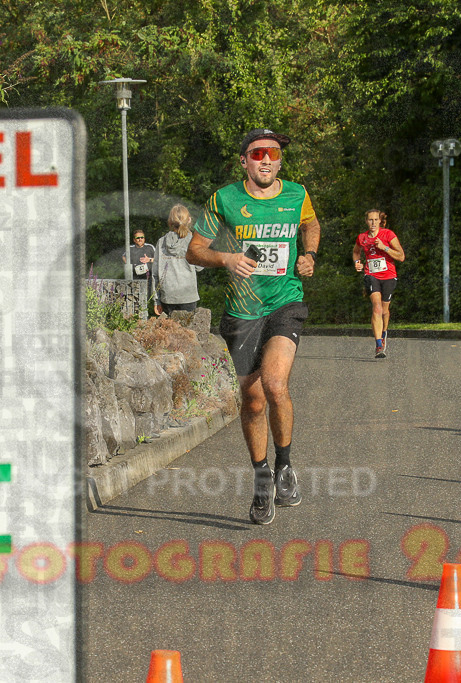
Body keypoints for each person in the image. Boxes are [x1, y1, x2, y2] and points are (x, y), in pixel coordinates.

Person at [186, 128, 320, 525]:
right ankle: (262, 474)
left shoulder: (297, 194)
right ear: (243, 160)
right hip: (242, 313)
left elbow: (310, 225)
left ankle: (285, 465)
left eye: (274, 153)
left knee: (275, 384)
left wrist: (309, 254)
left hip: (285, 302)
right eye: (258, 153)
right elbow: (195, 250)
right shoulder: (224, 199)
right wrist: (226, 259)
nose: (267, 159)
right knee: (253, 400)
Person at [352, 209, 404, 358]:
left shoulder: (388, 235)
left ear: (380, 221)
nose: (373, 223)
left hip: (389, 276)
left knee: (385, 310)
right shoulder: (362, 238)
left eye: (376, 220)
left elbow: (401, 256)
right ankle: (378, 345)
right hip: (371, 275)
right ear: (366, 221)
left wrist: (384, 247)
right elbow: (356, 252)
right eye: (370, 220)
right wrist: (357, 262)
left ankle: (384, 332)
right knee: (377, 307)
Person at [154, 204, 204, 315]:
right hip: (188, 296)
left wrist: (156, 301)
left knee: (171, 331)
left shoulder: (161, 242)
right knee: (187, 332)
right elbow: (199, 267)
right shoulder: (194, 241)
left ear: (170, 222)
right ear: (189, 220)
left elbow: (155, 274)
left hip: (167, 297)